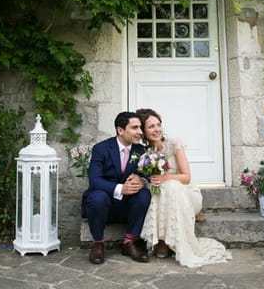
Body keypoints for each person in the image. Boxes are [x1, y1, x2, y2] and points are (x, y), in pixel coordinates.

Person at [136, 108, 232, 268]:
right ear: (144, 131)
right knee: (159, 188)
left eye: (158, 125)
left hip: (186, 194)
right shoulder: (145, 154)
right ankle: (163, 239)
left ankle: (165, 242)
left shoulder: (174, 144)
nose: (156, 129)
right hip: (164, 196)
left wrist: (165, 177)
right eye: (151, 126)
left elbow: (186, 177)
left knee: (171, 185)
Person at [81, 111, 152, 264]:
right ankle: (98, 243)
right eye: (135, 128)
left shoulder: (140, 151)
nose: (140, 132)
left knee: (144, 195)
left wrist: (142, 180)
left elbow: (148, 175)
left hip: (128, 205)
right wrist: (120, 188)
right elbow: (94, 180)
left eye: (140, 127)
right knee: (96, 197)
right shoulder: (101, 148)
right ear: (120, 130)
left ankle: (129, 242)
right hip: (104, 203)